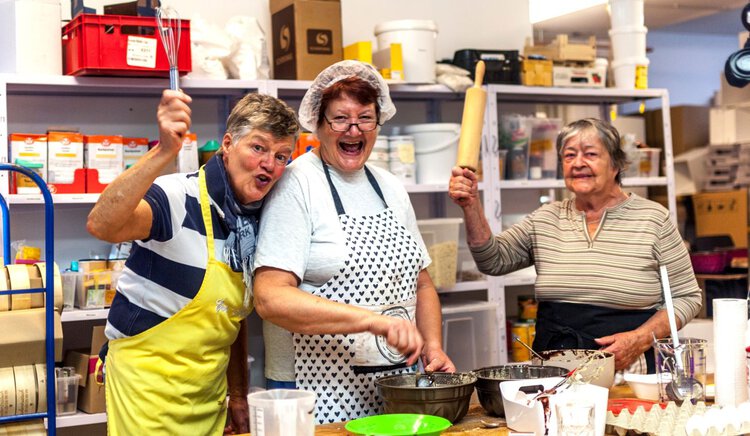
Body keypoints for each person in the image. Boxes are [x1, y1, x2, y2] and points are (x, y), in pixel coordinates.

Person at [253, 60, 455, 423]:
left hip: (397, 384)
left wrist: (434, 346)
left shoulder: (390, 186)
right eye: (340, 118)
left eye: (365, 118)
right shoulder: (297, 184)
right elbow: (270, 297)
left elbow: (421, 284)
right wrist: (372, 321)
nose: (353, 129)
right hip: (316, 389)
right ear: (317, 123)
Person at [86, 90, 299, 435]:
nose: (270, 164)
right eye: (258, 148)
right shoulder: (175, 197)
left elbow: (230, 314)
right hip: (147, 394)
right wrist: (164, 151)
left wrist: (239, 394)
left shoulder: (255, 222)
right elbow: (102, 224)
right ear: (228, 144)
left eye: (281, 156)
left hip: (209, 397)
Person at [448, 118, 702, 374]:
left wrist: (639, 339)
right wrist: (471, 205)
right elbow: (492, 260)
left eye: (590, 154)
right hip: (554, 366)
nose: (578, 163)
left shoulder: (653, 219)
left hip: (626, 367)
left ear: (616, 164)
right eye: (569, 156)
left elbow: (687, 297)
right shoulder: (545, 219)